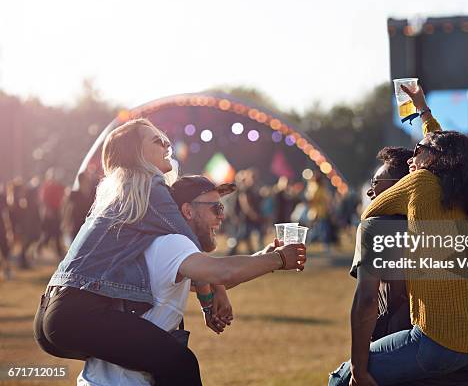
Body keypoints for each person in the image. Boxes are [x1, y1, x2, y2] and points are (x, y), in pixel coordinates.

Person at [331, 85, 468, 386]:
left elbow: (372, 207)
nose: (414, 153)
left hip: (440, 344)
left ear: (435, 160)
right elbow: (445, 145)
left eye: (419, 150)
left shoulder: (420, 183)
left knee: (341, 378)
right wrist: (423, 109)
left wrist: (360, 372)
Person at [34, 118, 233, 386]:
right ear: (135, 153)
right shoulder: (149, 186)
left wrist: (211, 293)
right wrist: (213, 296)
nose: (166, 144)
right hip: (77, 312)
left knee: (165, 362)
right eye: (156, 140)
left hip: (54, 309)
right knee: (179, 362)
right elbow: (192, 250)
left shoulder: (121, 192)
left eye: (165, 139)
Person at [76, 175, 307, 385]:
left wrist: (264, 257)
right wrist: (278, 259)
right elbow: (221, 272)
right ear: (187, 211)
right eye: (215, 208)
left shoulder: (166, 243)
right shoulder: (171, 242)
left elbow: (216, 278)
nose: (222, 215)